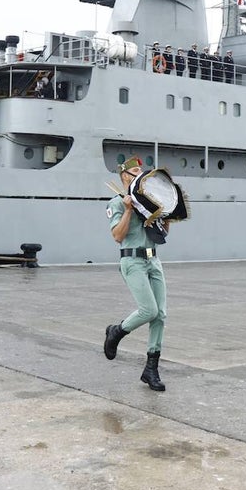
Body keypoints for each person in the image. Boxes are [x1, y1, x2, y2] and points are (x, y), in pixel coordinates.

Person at [102, 157, 171, 392]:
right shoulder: (117, 202)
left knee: (160, 315)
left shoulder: (149, 203)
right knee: (148, 310)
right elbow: (117, 236)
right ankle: (116, 331)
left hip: (154, 260)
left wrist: (167, 215)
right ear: (125, 176)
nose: (140, 173)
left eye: (141, 170)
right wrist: (129, 210)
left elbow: (162, 233)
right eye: (135, 170)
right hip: (132, 261)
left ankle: (151, 369)